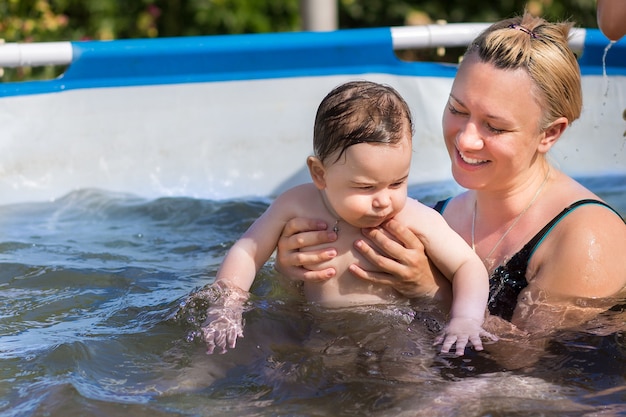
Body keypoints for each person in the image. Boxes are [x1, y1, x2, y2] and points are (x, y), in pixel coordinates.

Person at [275, 13, 626, 340]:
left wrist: (432, 292)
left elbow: (537, 366)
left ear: (549, 133)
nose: (465, 139)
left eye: (495, 126)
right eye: (457, 110)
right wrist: (295, 276)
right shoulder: (435, 216)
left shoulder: (585, 237)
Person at [200, 81, 495, 355]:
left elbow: (468, 266)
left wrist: (466, 319)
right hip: (319, 329)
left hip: (395, 331)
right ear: (320, 173)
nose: (384, 200)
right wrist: (227, 307)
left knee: (411, 377)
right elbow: (247, 251)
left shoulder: (414, 217)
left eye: (397, 183)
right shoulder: (296, 204)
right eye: (365, 187)